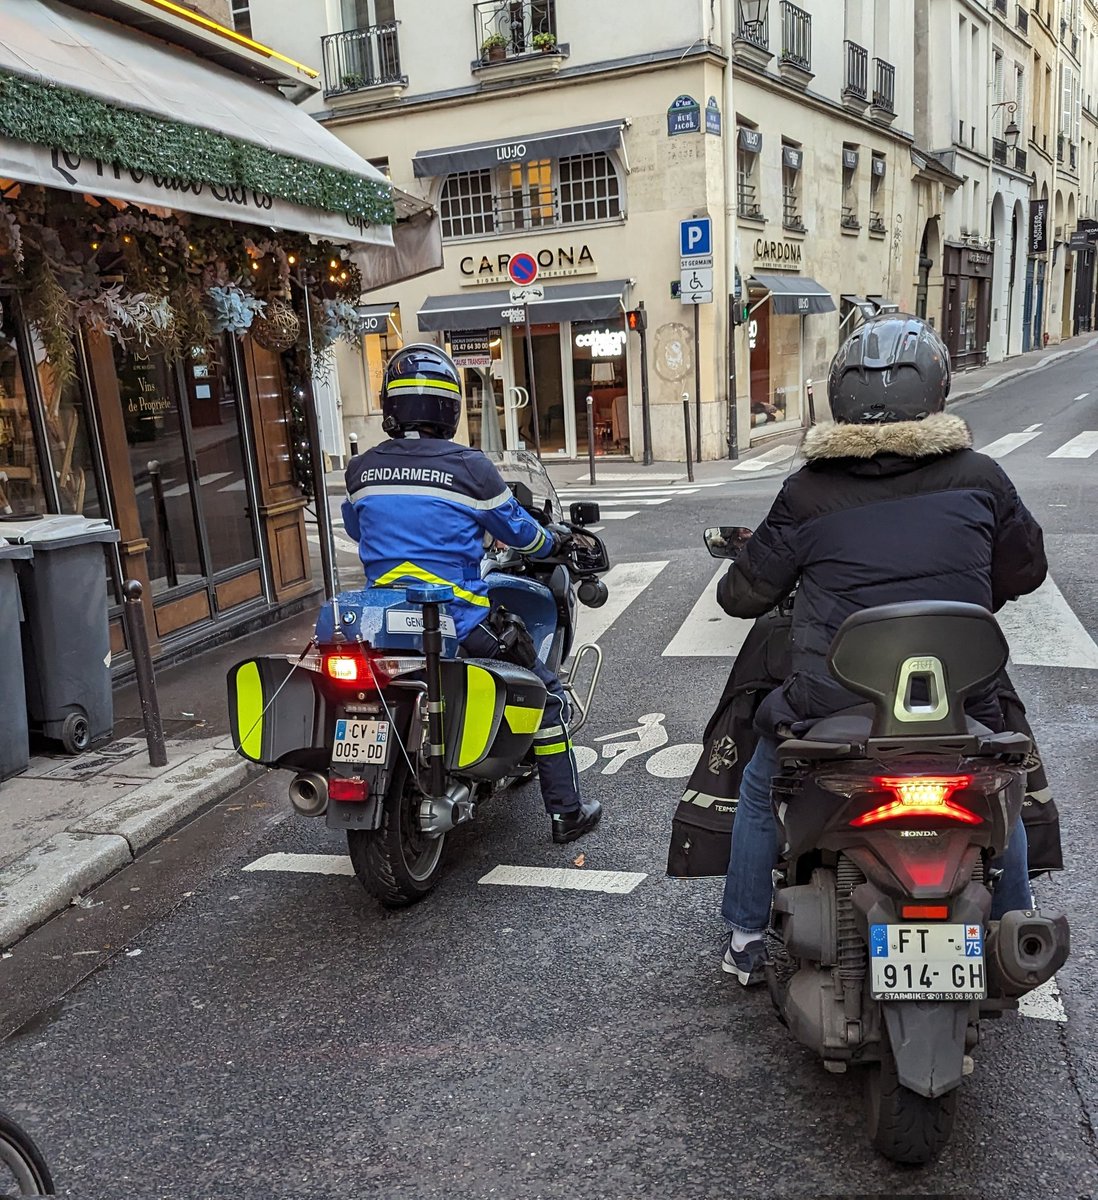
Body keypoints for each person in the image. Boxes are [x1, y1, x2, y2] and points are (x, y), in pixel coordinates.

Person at [716, 313, 1047, 985]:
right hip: (960, 699)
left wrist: (754, 560)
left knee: (760, 779)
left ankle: (747, 936)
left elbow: (744, 596)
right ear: (937, 390)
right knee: (1001, 774)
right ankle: (1019, 922)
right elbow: (1025, 571)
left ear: (838, 397)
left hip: (834, 705)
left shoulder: (808, 490)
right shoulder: (981, 477)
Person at [341, 343, 602, 844]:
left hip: (376, 623)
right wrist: (556, 541)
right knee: (545, 693)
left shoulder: (360, 471)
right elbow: (523, 534)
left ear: (390, 405)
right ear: (450, 408)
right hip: (453, 621)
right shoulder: (468, 468)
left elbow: (358, 529)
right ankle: (567, 812)